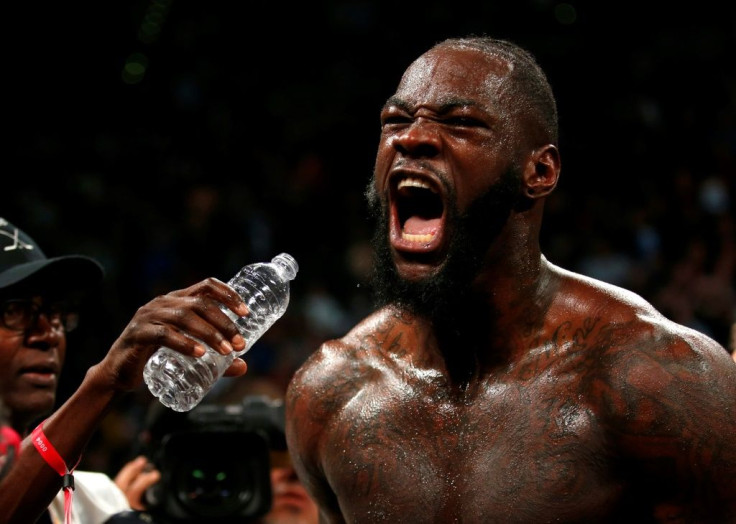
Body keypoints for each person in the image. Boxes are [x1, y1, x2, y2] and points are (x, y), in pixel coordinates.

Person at [284, 36, 736, 522]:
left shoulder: (655, 380)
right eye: (395, 120)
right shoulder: (329, 391)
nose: (410, 138)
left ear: (539, 170)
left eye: (460, 123)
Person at [0, 217, 250, 524]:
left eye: (54, 314)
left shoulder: (97, 501)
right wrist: (105, 383)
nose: (48, 333)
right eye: (14, 311)